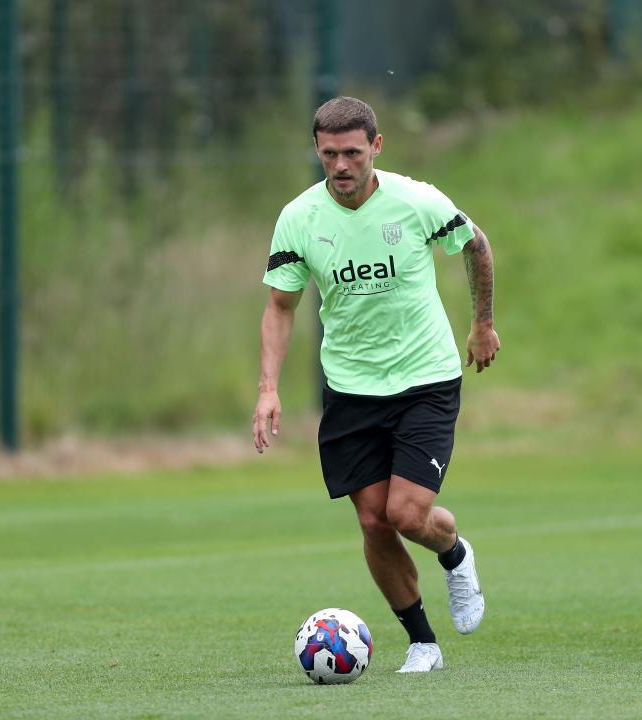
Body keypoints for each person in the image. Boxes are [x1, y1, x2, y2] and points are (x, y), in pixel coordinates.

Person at [251, 96, 500, 671]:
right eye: (330, 154)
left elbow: (476, 246)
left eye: (353, 153)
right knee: (371, 519)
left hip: (425, 379)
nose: (341, 166)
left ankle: (455, 552)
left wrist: (482, 322)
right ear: (316, 150)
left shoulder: (416, 201)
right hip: (351, 387)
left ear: (376, 148)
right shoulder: (300, 218)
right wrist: (268, 387)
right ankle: (423, 643)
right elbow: (280, 306)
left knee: (407, 515)